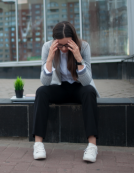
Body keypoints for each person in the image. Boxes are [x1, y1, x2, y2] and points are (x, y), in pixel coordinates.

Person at [32, 21, 100, 162]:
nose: (63, 49)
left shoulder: (84, 47)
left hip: (79, 87)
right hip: (60, 87)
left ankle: (92, 146)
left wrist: (78, 57)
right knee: (41, 92)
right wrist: (50, 59)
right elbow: (45, 82)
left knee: (89, 91)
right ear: (55, 41)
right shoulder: (47, 47)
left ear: (73, 40)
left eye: (66, 45)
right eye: (60, 45)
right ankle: (38, 144)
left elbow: (86, 81)